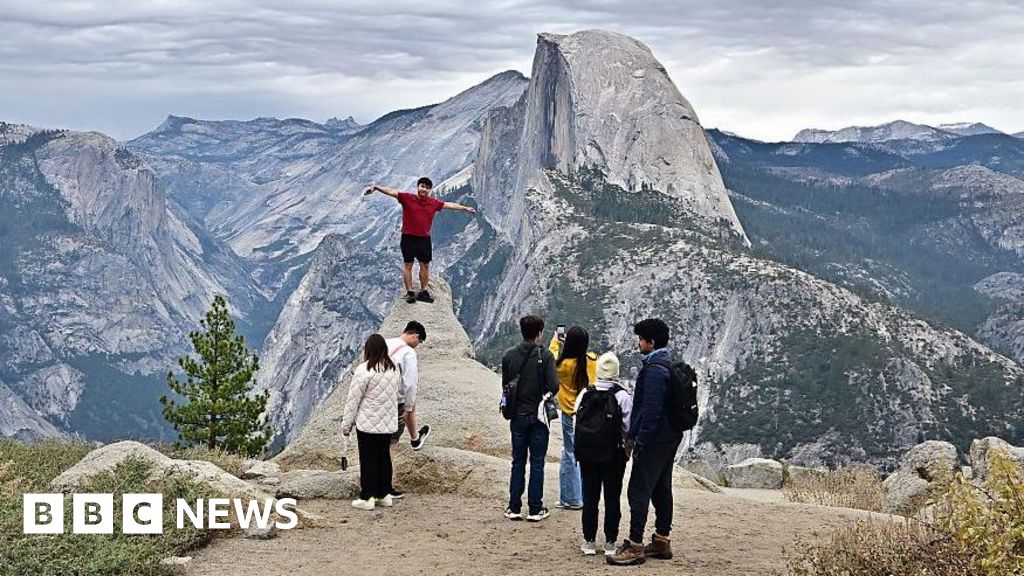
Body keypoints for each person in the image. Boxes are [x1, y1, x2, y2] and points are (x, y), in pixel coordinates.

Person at [608, 319, 682, 566]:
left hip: (654, 440)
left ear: (650, 342)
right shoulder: (669, 364)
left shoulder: (653, 371)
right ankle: (662, 540)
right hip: (670, 438)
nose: (638, 343)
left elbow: (650, 411)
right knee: (662, 488)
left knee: (638, 490)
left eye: (640, 339)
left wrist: (640, 441)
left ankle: (635, 544)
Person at [364, 177, 477, 304]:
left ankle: (423, 291)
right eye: (422, 186)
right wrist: (376, 188)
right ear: (418, 187)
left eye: (427, 187)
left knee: (425, 265)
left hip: (424, 239)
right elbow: (392, 192)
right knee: (408, 264)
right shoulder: (407, 198)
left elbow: (449, 205)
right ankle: (410, 292)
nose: (424, 189)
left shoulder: (433, 203)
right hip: (408, 237)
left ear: (429, 190)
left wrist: (465, 208)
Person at [501, 314, 559, 522]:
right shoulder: (546, 356)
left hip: (517, 415)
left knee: (517, 461)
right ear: (540, 333)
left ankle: (514, 506)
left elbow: (506, 386)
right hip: (539, 417)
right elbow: (554, 387)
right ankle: (535, 508)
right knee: (537, 462)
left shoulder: (508, 355)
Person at [574, 351, 632, 556]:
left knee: (589, 497)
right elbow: (628, 427)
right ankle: (610, 542)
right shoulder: (622, 395)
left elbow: (576, 423)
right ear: (616, 372)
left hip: (588, 455)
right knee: (612, 498)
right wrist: (627, 450)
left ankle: (589, 541)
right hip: (613, 456)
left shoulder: (585, 393)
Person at [341, 334, 402, 511]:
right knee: (384, 457)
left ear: (368, 349)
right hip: (387, 424)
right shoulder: (393, 369)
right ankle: (384, 495)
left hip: (368, 423)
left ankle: (368, 496)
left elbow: (353, 400)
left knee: (368, 459)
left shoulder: (364, 370)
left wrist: (346, 425)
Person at [549, 326, 597, 510]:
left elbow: (550, 357)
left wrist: (556, 341)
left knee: (569, 454)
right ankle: (585, 496)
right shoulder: (592, 361)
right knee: (585, 455)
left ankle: (572, 498)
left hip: (570, 414)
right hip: (589, 414)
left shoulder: (562, 366)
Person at [387, 321, 430, 454]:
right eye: (419, 341)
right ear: (415, 336)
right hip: (394, 398)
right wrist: (408, 408)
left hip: (375, 394)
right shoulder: (408, 352)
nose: (417, 345)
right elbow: (410, 384)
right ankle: (385, 473)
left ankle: (415, 438)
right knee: (392, 440)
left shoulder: (385, 342)